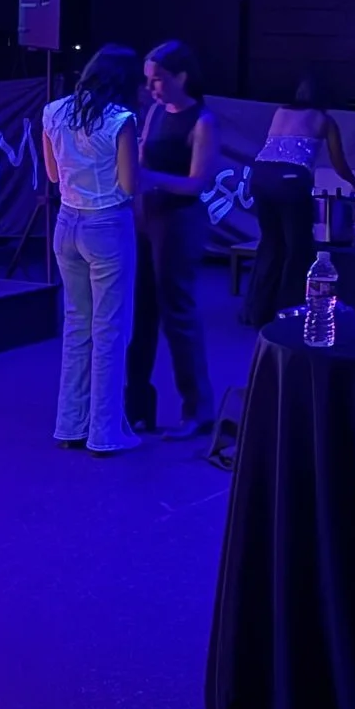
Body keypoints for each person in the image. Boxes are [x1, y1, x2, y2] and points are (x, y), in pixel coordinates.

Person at [40, 46, 143, 456]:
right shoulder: (121, 120)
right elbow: (130, 185)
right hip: (107, 225)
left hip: (66, 222)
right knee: (111, 329)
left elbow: (51, 174)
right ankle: (104, 432)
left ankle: (70, 425)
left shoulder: (52, 112)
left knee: (77, 325)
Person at [127, 41, 217, 439]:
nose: (153, 88)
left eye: (159, 80)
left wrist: (151, 180)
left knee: (177, 313)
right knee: (140, 312)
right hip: (147, 217)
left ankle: (197, 410)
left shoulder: (203, 121)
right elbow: (141, 159)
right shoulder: (154, 115)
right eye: (149, 81)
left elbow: (198, 182)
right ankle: (137, 408)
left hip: (180, 222)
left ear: (182, 77)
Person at [241, 76, 355, 327]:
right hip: (292, 181)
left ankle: (256, 312)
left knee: (271, 244)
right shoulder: (325, 120)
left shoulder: (281, 111)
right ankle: (287, 313)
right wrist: (354, 181)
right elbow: (338, 163)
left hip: (261, 175)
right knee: (297, 249)